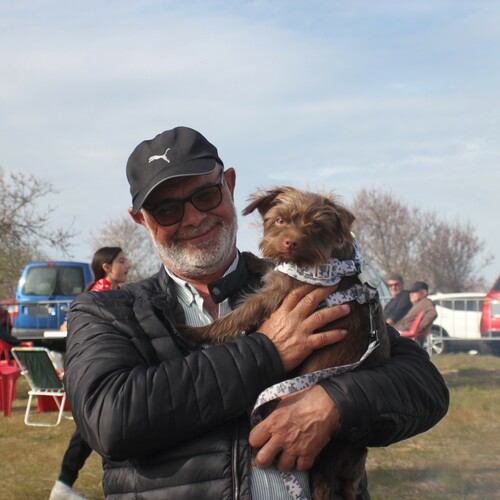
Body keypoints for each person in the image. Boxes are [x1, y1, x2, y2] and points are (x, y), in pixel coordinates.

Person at [63, 126, 449, 499]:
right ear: (141, 220)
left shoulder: (314, 284)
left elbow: (424, 385)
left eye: (206, 195)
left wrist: (335, 402)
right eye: (167, 209)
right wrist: (267, 352)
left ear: (229, 186)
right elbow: (110, 421)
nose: (194, 218)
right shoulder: (105, 311)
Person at [50, 247, 131, 500]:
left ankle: (64, 484)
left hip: (120, 372)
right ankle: (63, 484)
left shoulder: (118, 293)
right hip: (100, 374)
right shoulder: (97, 296)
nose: (128, 264)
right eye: (122, 261)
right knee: (93, 430)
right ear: (106, 267)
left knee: (95, 431)